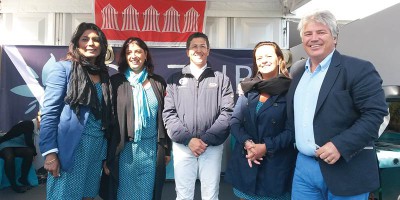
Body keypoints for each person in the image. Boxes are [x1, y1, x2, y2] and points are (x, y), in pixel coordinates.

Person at [287, 10, 388, 199]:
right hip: (304, 170)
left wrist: (340, 145)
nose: (314, 38)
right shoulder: (298, 72)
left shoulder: (358, 69)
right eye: (308, 34)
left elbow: (376, 114)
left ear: (335, 37)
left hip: (347, 170)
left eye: (321, 32)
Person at [39, 22, 112, 199]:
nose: (91, 43)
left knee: (88, 196)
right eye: (85, 39)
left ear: (102, 46)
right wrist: (50, 153)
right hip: (71, 147)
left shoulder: (103, 74)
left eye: (96, 40)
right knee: (64, 195)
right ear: (76, 43)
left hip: (97, 147)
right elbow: (49, 113)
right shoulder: (63, 68)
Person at [162, 32, 234, 200]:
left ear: (208, 51)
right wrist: (189, 140)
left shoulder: (221, 79)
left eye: (203, 46)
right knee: (183, 195)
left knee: (210, 195)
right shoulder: (174, 79)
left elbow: (227, 113)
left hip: (211, 147)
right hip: (183, 147)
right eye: (194, 46)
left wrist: (206, 139)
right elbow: (169, 114)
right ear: (187, 51)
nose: (198, 50)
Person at [101, 37, 172, 200]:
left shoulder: (158, 82)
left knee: (147, 194)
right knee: (123, 194)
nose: (134, 55)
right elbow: (108, 122)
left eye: (138, 51)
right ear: (125, 57)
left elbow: (164, 118)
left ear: (145, 54)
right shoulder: (116, 82)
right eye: (129, 52)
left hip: (151, 150)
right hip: (124, 151)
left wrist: (166, 149)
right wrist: (107, 157)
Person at [224, 41, 296, 200]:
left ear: (279, 59)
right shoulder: (248, 86)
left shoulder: (291, 89)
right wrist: (247, 143)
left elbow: (292, 131)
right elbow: (235, 121)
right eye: (259, 57)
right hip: (247, 161)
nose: (264, 60)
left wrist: (265, 147)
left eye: (269, 56)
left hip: (276, 167)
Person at [0, 112, 40, 193]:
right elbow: (28, 141)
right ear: (38, 120)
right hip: (6, 143)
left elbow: (28, 145)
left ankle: (23, 178)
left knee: (29, 152)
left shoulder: (34, 128)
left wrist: (33, 153)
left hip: (17, 146)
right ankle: (14, 185)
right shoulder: (29, 123)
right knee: (9, 156)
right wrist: (35, 153)